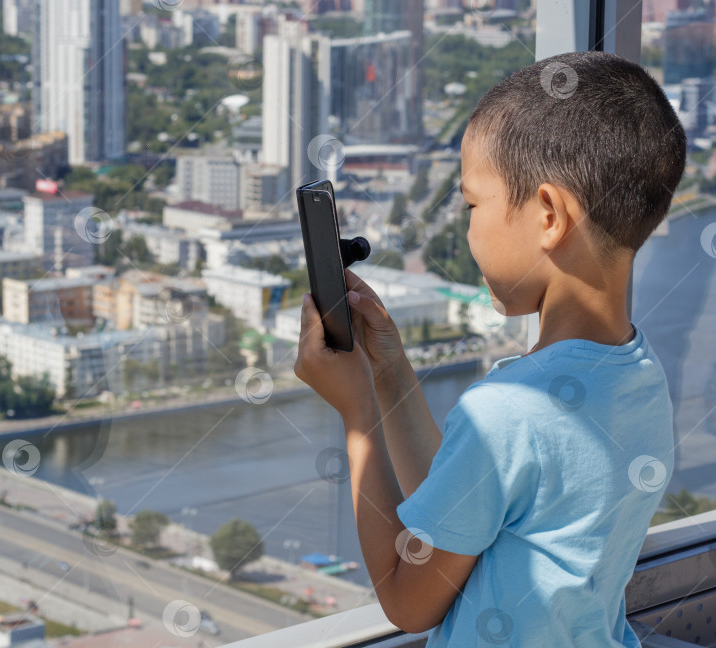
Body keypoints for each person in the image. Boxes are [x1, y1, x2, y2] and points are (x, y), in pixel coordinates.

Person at [294, 50, 686, 647]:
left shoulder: (508, 410)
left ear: (549, 215)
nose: (467, 229)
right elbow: (465, 509)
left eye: (473, 205)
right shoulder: (639, 375)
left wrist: (358, 420)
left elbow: (408, 601)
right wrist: (390, 374)